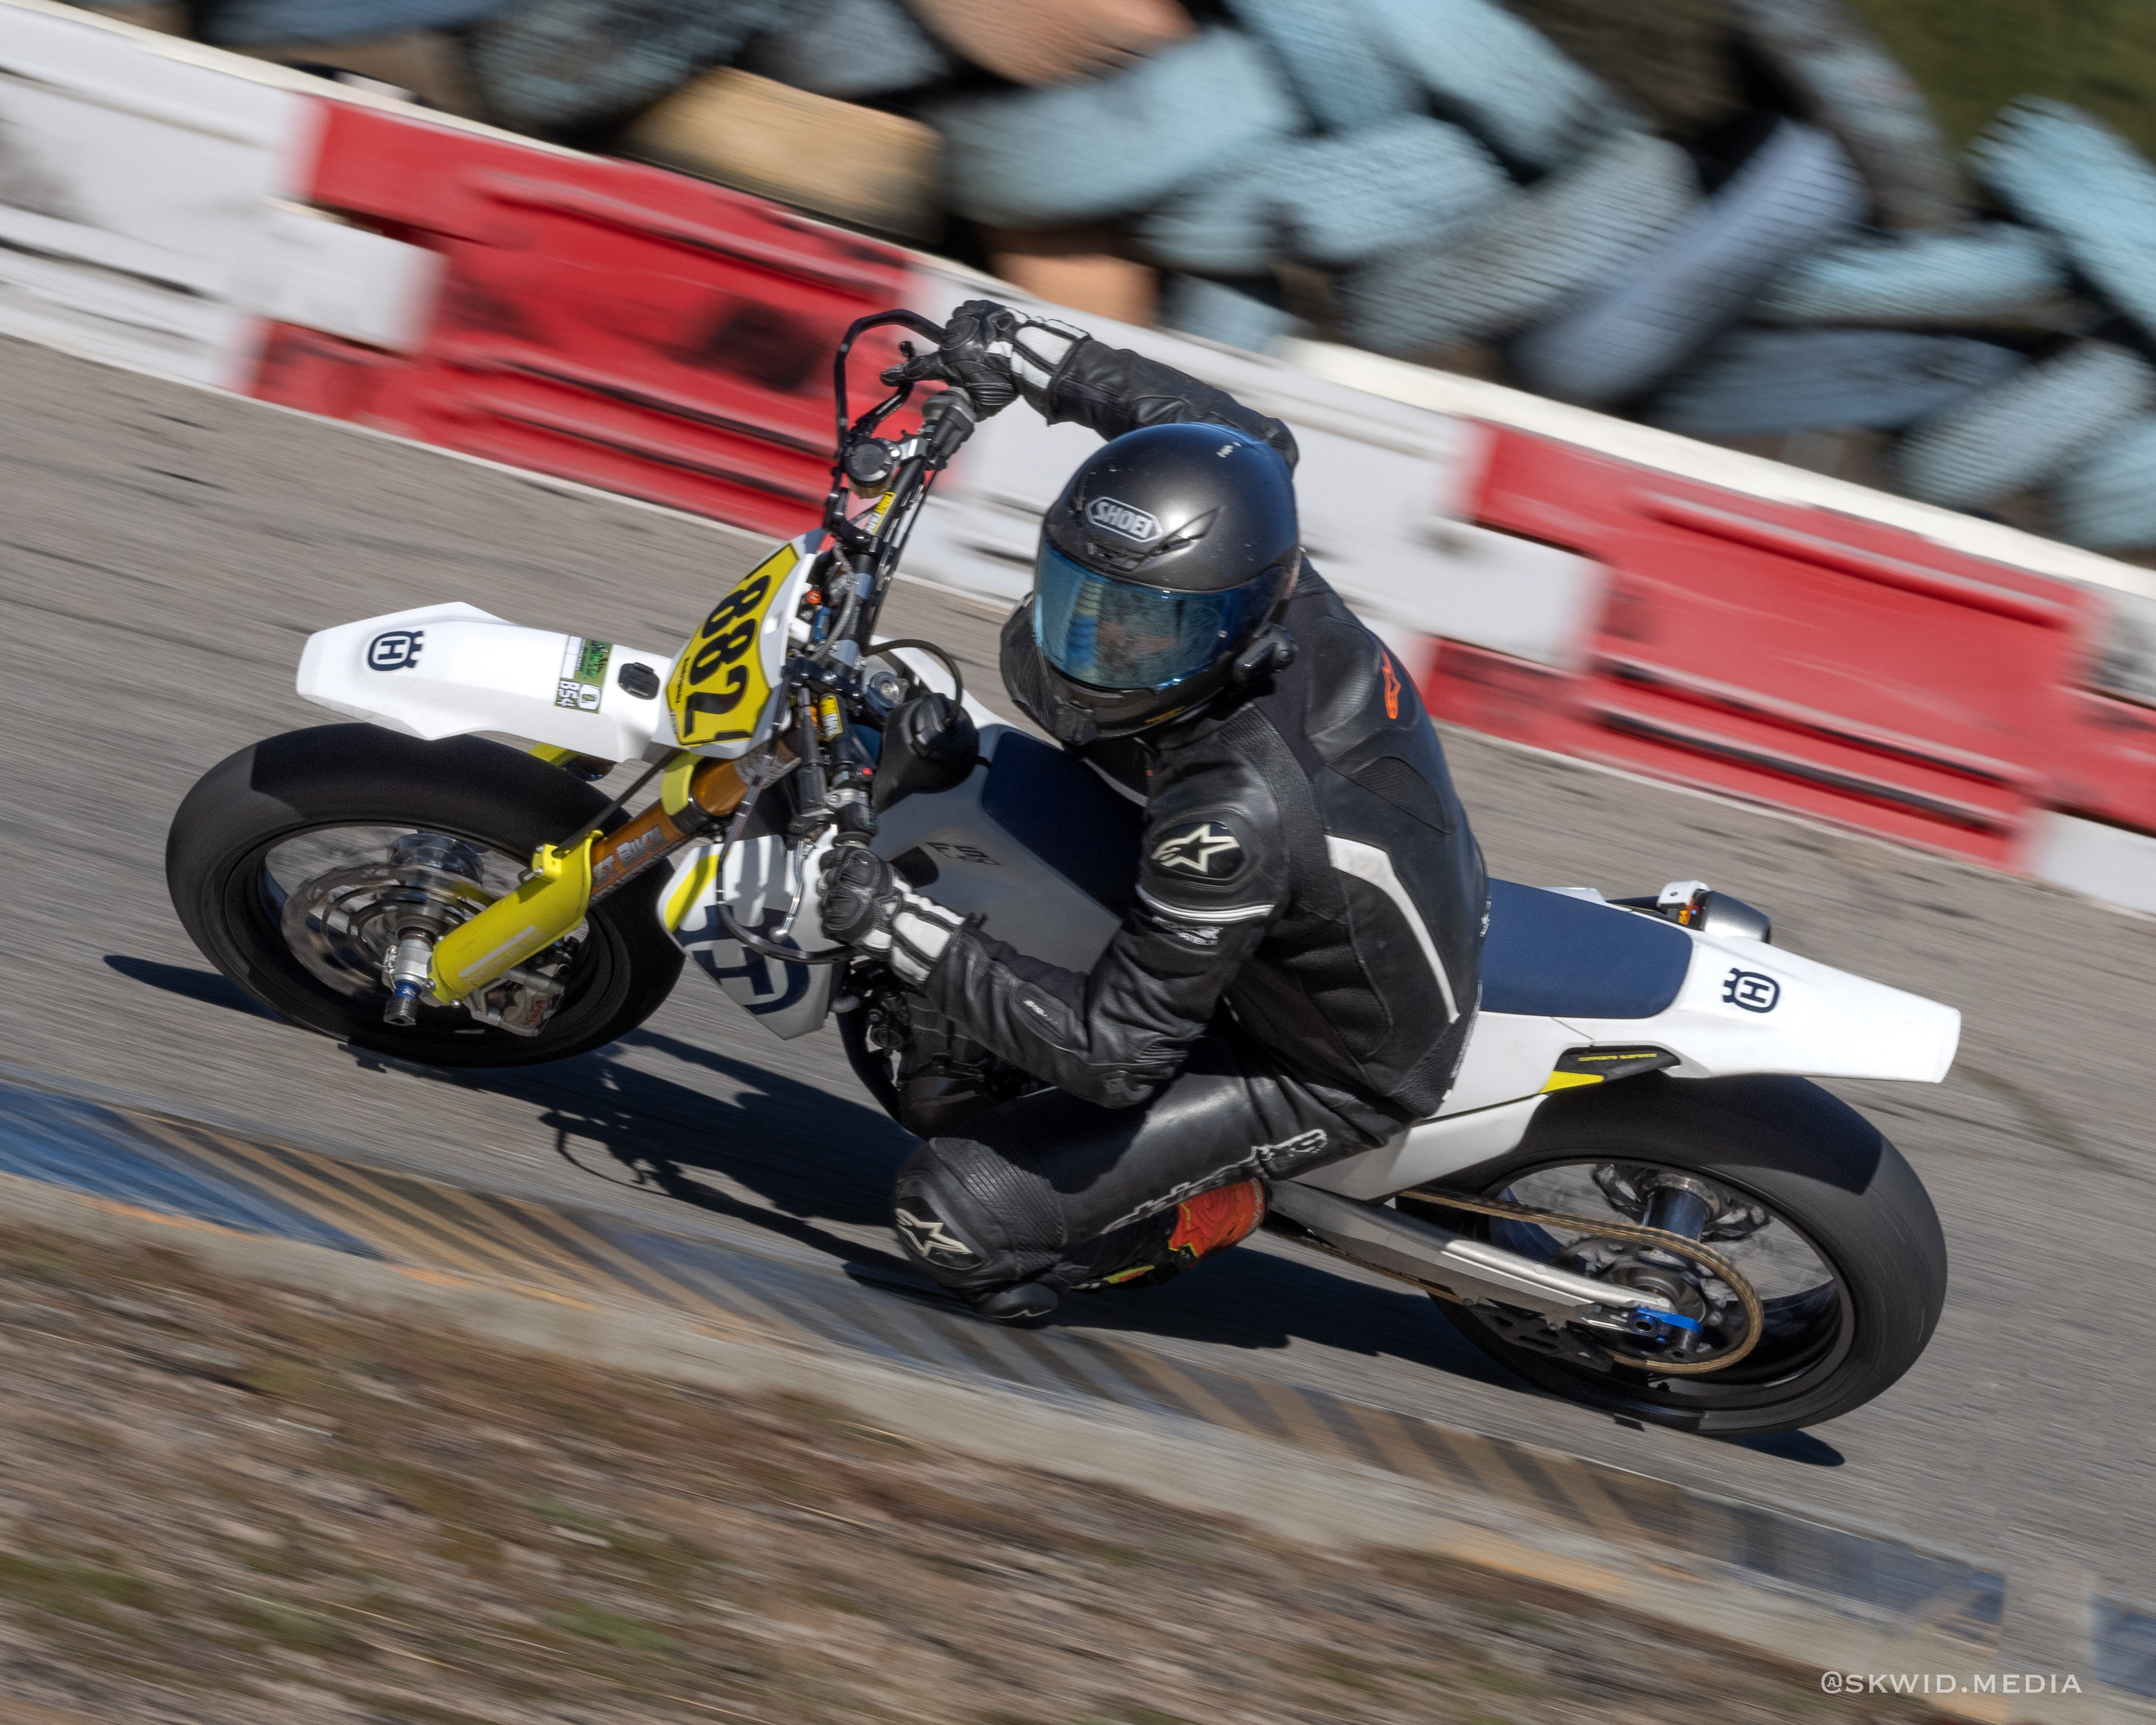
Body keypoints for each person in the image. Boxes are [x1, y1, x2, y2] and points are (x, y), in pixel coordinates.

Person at [819, 299, 1487, 1321]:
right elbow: (1245, 442)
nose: (1101, 641)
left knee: (956, 1214)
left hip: (1321, 1060)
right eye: (1082, 595)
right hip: (1303, 897)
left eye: (1147, 626)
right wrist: (1031, 354)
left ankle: (1208, 1210)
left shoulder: (1230, 816)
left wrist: (891, 923)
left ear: (1236, 625)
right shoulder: (1255, 563)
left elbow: (1117, 1054)